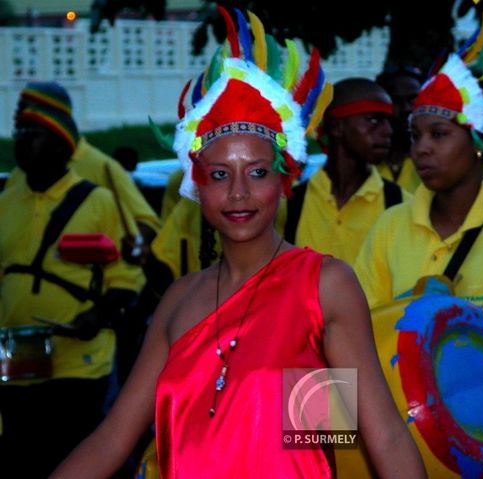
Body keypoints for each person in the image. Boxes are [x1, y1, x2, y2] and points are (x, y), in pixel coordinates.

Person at [51, 8, 427, 478]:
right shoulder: (179, 300)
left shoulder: (324, 286)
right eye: (219, 174)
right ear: (196, 187)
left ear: (284, 180)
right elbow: (113, 438)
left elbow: (371, 437)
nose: (239, 193)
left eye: (257, 172)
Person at [353, 44, 483, 476]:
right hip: (402, 448)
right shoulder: (391, 225)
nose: (422, 149)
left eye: (440, 134)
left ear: (479, 144)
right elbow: (355, 331)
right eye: (416, 136)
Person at [0, 87, 145, 478]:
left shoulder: (98, 199)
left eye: (33, 133)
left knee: (77, 453)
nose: (22, 143)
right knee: (23, 454)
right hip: (16, 358)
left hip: (79, 363)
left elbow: (128, 275)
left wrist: (97, 316)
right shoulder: (7, 198)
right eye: (20, 133)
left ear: (59, 142)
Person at [5, 81, 162, 263]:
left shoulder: (102, 167)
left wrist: (125, 246)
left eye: (26, 108)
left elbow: (147, 222)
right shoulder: (18, 175)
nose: (17, 115)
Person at [278, 77, 412, 266]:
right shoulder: (290, 205)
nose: (388, 131)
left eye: (388, 121)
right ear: (336, 127)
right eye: (373, 120)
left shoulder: (402, 205)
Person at [375, 66, 423, 193]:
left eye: (413, 100)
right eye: (395, 100)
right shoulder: (364, 163)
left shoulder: (437, 159)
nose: (406, 108)